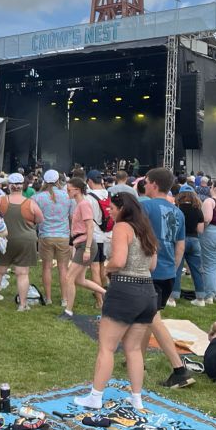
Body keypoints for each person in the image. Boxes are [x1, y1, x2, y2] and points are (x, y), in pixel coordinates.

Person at [73, 192, 158, 411]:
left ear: (123, 209)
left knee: (107, 347)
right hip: (148, 292)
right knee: (134, 349)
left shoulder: (122, 228)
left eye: (112, 208)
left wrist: (107, 267)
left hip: (125, 290)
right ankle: (137, 398)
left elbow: (119, 261)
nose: (109, 211)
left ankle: (95, 396)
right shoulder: (146, 230)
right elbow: (151, 266)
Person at [141, 168, 195, 390]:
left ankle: (179, 369)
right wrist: (172, 267)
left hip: (149, 271)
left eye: (146, 182)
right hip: (168, 272)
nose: (144, 185)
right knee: (149, 317)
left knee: (153, 318)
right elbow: (180, 246)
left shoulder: (144, 206)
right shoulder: (178, 212)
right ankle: (138, 359)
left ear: (153, 184)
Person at [0, 172, 43, 310]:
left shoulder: (0, 201)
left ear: (9, 186)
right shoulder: (30, 203)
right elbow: (39, 219)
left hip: (4, 240)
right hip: (26, 241)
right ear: (22, 187)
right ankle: (22, 304)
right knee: (22, 273)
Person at [62, 176, 105, 315]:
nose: (67, 192)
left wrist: (86, 249)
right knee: (80, 280)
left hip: (85, 245)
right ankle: (108, 293)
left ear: (77, 190)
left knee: (69, 278)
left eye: (68, 189)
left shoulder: (84, 204)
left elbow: (90, 227)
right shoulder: (80, 204)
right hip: (81, 244)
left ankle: (68, 310)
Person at [33, 169, 74, 306]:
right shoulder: (68, 196)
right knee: (63, 268)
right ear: (58, 180)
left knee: (46, 267)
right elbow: (71, 217)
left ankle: (48, 298)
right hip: (63, 236)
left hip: (45, 235)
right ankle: (64, 299)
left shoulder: (38, 197)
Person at [176, 190, 205, 306]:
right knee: (197, 271)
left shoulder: (177, 209)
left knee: (177, 268)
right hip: (194, 240)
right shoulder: (198, 211)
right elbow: (200, 230)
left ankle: (172, 297)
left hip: (180, 240)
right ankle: (200, 298)